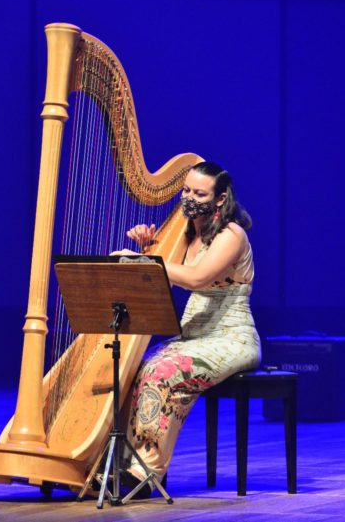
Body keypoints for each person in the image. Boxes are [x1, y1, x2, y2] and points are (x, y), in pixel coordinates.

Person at [116, 161, 260, 496]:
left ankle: (144, 470)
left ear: (220, 199)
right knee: (131, 367)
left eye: (200, 193)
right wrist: (149, 248)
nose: (190, 198)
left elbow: (196, 278)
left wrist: (145, 262)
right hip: (192, 337)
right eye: (186, 191)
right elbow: (163, 277)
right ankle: (119, 462)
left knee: (164, 370)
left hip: (231, 338)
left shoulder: (232, 235)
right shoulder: (185, 234)